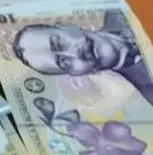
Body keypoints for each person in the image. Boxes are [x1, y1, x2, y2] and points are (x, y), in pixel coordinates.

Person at [12, 9, 153, 107]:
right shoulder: (149, 89)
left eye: (60, 44)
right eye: (64, 63)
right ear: (75, 74)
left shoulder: (121, 8)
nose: (74, 54)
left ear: (67, 26)